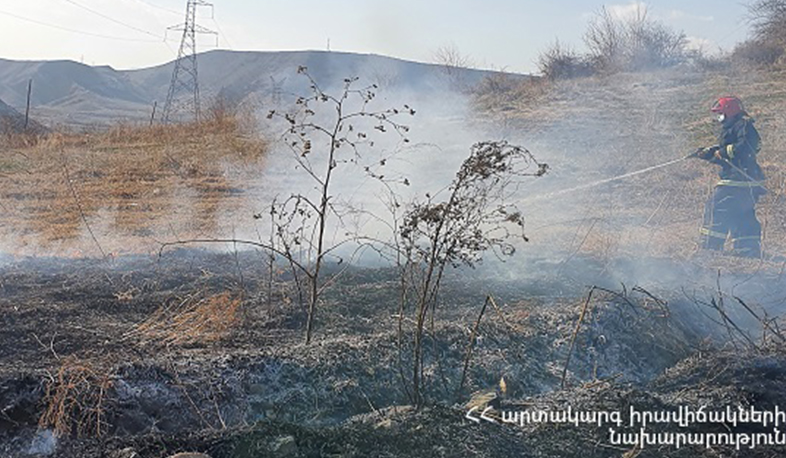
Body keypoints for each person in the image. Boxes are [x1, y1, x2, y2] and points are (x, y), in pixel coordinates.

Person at [692, 96, 766, 258]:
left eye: (721, 114)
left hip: (738, 179)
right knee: (741, 212)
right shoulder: (735, 127)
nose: (719, 118)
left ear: (729, 112)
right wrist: (707, 153)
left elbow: (746, 147)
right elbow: (727, 153)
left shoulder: (744, 126)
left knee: (717, 208)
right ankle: (747, 250)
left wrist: (723, 152)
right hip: (741, 180)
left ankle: (710, 247)